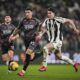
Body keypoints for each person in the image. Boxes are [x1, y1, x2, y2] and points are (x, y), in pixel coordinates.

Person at [38, 7, 80, 72]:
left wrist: (75, 29)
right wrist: (40, 34)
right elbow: (44, 29)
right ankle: (74, 63)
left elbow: (70, 21)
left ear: (54, 13)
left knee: (45, 48)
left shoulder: (58, 19)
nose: (48, 14)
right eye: (48, 13)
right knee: (60, 57)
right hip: (52, 42)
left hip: (57, 41)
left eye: (50, 13)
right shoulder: (46, 20)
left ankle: (44, 66)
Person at [9, 7, 41, 76]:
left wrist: (39, 34)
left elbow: (42, 28)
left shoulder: (36, 21)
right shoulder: (23, 21)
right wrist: (12, 35)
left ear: (31, 13)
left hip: (34, 40)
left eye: (28, 12)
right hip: (26, 40)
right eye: (26, 13)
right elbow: (17, 29)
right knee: (30, 58)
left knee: (28, 53)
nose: (27, 14)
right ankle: (41, 53)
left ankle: (23, 72)